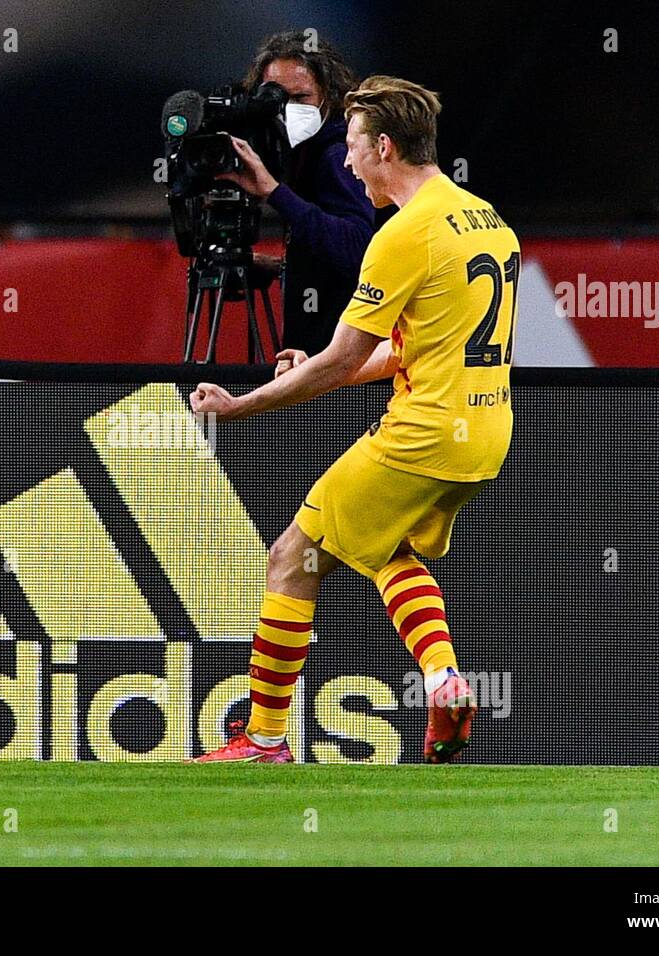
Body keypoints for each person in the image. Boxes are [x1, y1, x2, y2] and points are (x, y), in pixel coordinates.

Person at [189, 76, 519, 764]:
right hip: (484, 436)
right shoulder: (486, 217)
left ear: (386, 148)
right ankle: (445, 680)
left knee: (291, 557)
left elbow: (343, 362)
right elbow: (408, 347)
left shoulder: (405, 235)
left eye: (355, 146)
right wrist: (318, 359)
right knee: (381, 544)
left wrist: (238, 407)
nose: (345, 162)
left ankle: (264, 740)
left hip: (421, 434)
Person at [217, 30, 377, 355]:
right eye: (275, 98)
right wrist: (284, 268)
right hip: (319, 360)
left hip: (340, 369)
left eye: (300, 98)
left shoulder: (336, 155)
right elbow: (328, 255)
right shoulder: (302, 152)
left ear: (328, 97)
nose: (287, 110)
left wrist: (274, 192)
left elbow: (359, 249)